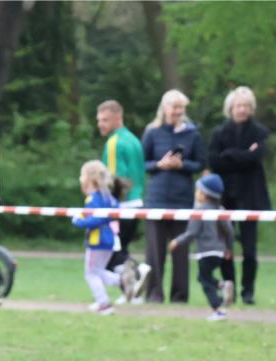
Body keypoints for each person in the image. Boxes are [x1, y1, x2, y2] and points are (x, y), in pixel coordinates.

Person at [140, 90, 206, 303]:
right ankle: (154, 294)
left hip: (182, 199)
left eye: (181, 107)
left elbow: (200, 163)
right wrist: (159, 164)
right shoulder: (152, 132)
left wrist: (182, 165)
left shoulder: (193, 134)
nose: (178, 111)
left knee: (181, 249)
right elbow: (142, 163)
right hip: (156, 199)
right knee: (154, 251)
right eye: (174, 107)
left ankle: (180, 296)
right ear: (164, 108)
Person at [208, 86, 272, 305]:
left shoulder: (259, 132)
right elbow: (215, 161)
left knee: (249, 249)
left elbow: (256, 157)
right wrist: (243, 155)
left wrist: (230, 154)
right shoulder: (219, 133)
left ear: (251, 108)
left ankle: (248, 291)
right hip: (225, 197)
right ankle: (230, 288)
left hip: (251, 197)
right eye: (238, 106)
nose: (242, 110)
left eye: (246, 106)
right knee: (225, 246)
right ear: (231, 108)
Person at [96, 99, 147, 300]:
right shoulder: (134, 140)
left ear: (118, 118)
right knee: (120, 249)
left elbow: (115, 179)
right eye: (99, 120)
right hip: (137, 203)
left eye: (105, 120)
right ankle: (133, 292)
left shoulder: (114, 142)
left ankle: (138, 275)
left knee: (111, 254)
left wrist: (109, 207)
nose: (100, 124)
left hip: (121, 206)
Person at [168, 173, 236, 321]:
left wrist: (177, 241)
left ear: (204, 194)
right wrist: (229, 248)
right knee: (202, 276)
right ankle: (222, 285)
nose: (196, 193)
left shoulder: (199, 212)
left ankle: (218, 310)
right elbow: (230, 231)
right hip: (219, 253)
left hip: (205, 253)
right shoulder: (221, 209)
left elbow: (192, 232)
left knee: (206, 282)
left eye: (197, 190)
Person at [71, 161, 126, 316]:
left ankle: (104, 303)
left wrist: (78, 221)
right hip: (109, 239)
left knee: (91, 273)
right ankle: (124, 281)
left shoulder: (92, 198)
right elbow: (115, 209)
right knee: (98, 271)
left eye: (82, 175)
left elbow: (96, 219)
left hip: (97, 240)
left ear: (88, 178)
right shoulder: (107, 196)